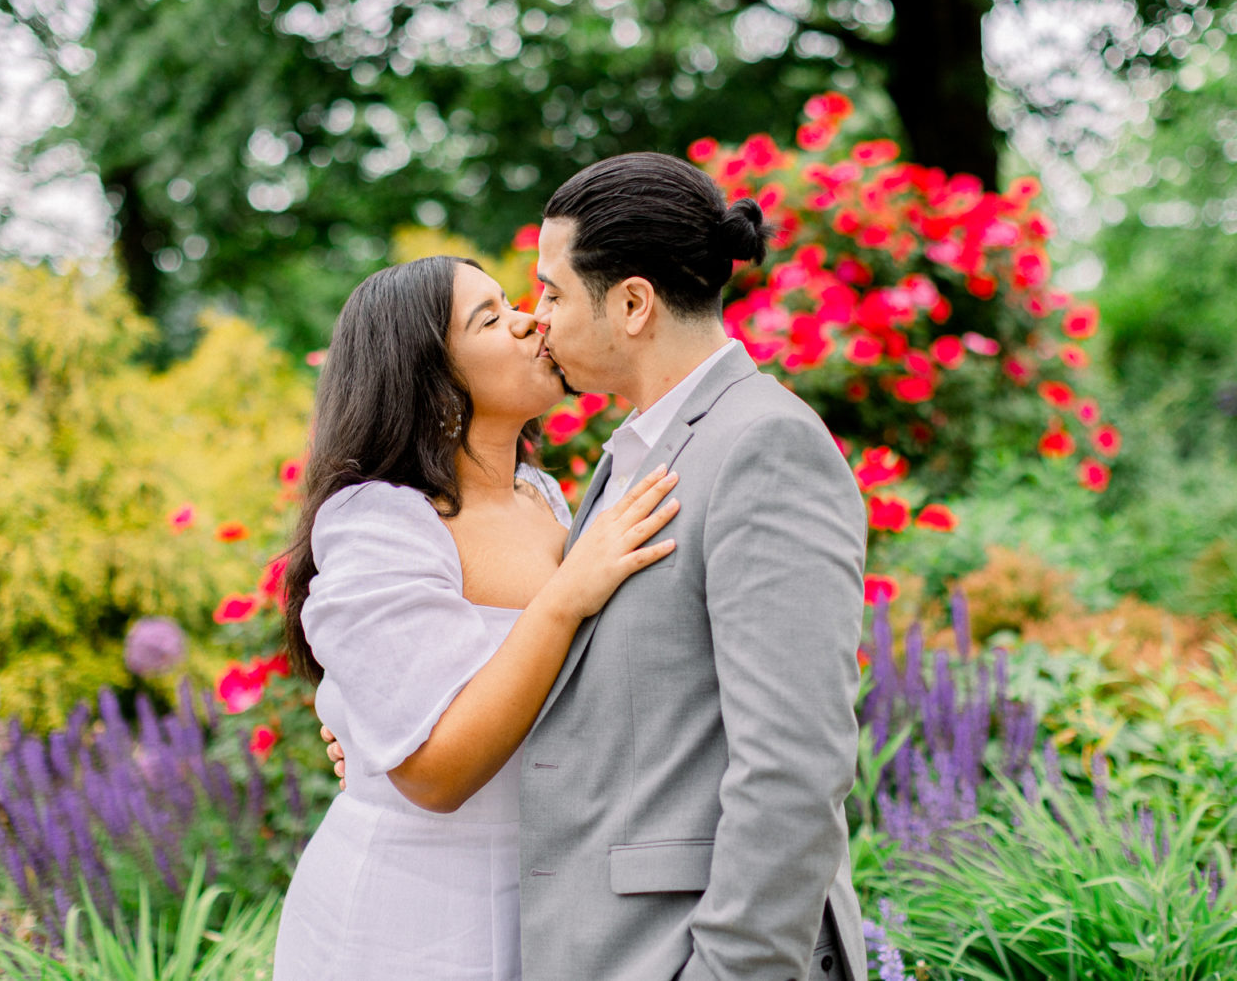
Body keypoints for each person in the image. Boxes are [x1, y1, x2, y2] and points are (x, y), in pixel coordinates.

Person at [324, 152, 870, 980]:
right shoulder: (626, 460)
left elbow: (795, 768)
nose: (537, 321)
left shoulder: (763, 443)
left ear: (633, 304)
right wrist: (372, 733)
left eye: (549, 294)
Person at [271, 254, 682, 980]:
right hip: (413, 920)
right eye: (490, 319)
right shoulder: (380, 521)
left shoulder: (544, 497)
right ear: (428, 378)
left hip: (548, 897)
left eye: (512, 303)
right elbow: (435, 776)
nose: (529, 321)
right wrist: (566, 595)